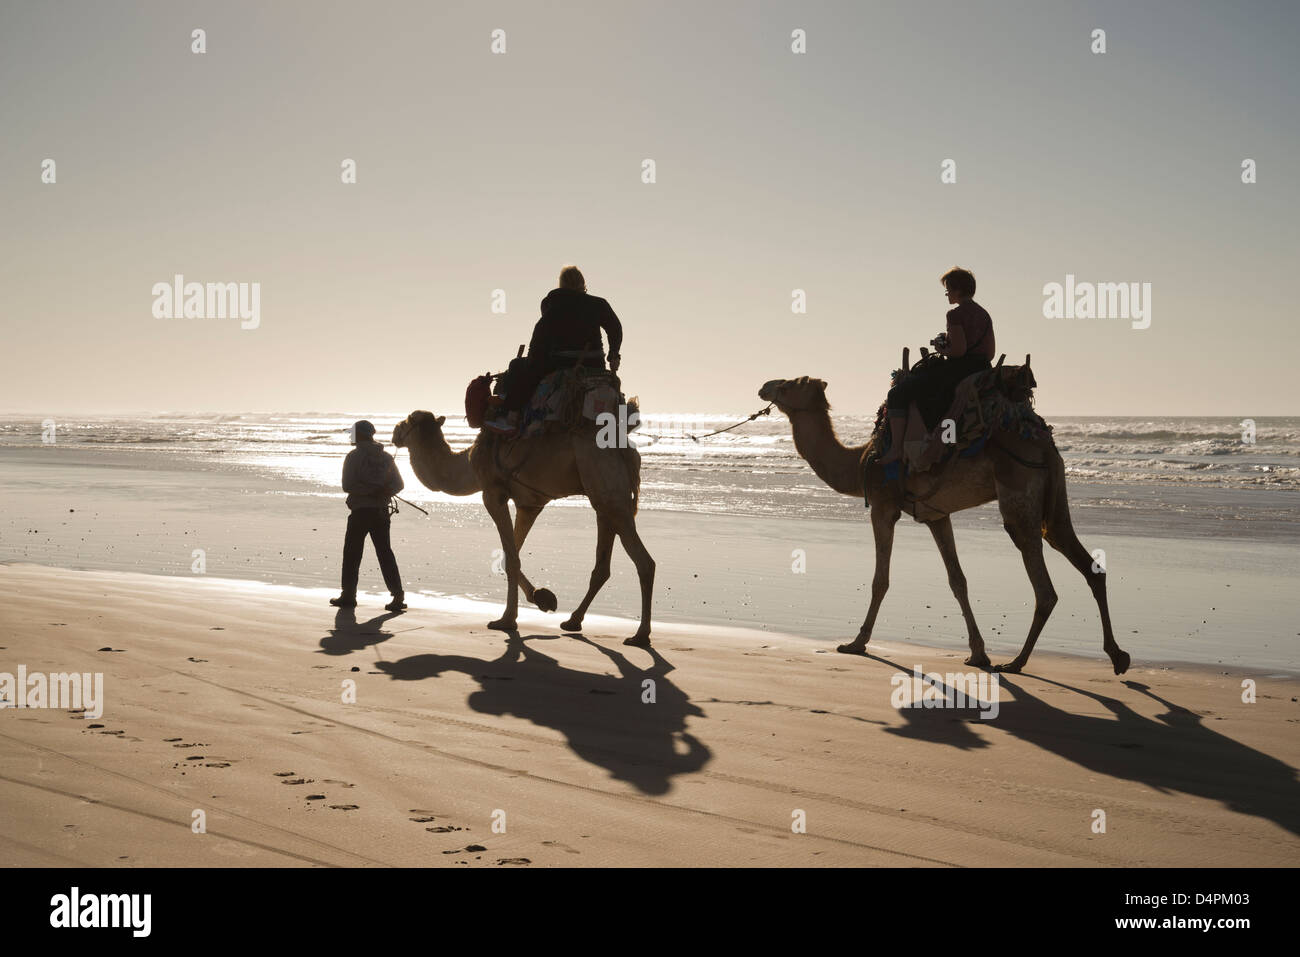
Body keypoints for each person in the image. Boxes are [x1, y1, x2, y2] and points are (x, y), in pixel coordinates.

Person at [485, 265, 622, 434]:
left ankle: (511, 416)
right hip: (596, 364)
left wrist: (532, 360)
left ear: (561, 284)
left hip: (560, 364)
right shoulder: (599, 304)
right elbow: (615, 328)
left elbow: (540, 336)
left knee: (517, 366)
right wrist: (614, 354)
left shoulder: (553, 304)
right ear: (582, 283)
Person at [880, 267, 995, 465]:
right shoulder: (984, 314)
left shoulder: (955, 314)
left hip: (960, 369)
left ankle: (897, 449)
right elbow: (990, 352)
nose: (947, 294)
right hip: (983, 368)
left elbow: (958, 351)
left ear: (957, 290)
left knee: (898, 393)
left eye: (948, 289)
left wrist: (942, 349)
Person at [331, 420, 407, 611]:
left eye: (353, 433)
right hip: (381, 513)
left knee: (352, 554)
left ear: (361, 435)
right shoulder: (387, 457)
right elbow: (399, 485)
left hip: (360, 512)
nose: (350, 436)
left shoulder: (353, 457)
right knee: (385, 553)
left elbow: (347, 486)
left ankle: (348, 595)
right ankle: (398, 596)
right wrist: (382, 492)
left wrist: (369, 492)